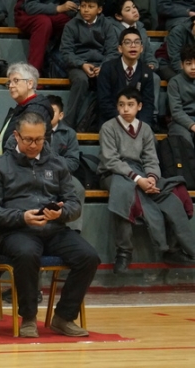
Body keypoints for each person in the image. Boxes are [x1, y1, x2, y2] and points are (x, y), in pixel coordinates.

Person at [0, 112, 100, 338]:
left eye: (39, 139)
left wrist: (61, 213)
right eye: (28, 140)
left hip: (54, 229)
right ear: (16, 136)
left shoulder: (57, 164)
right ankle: (28, 317)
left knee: (89, 257)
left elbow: (74, 203)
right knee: (26, 254)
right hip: (16, 232)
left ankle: (63, 317)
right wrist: (21, 217)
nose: (34, 145)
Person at [98, 87, 195, 273]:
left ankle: (174, 249)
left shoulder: (146, 129)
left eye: (130, 105)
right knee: (125, 193)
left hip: (142, 172)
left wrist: (150, 177)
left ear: (139, 106)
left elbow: (151, 159)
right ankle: (124, 252)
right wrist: (137, 179)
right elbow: (111, 160)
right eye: (121, 105)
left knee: (175, 191)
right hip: (113, 173)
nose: (126, 109)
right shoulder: (108, 127)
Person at [59, 0, 119, 128]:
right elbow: (66, 52)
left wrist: (103, 66)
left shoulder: (107, 25)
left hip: (101, 64)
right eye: (83, 6)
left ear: (99, 9)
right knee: (81, 80)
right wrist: (82, 64)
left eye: (90, 7)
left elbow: (113, 51)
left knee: (109, 78)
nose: (86, 10)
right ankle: (69, 124)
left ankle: (104, 124)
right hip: (77, 65)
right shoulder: (71, 25)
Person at [104, 0, 160, 117]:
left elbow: (148, 53)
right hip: (121, 66)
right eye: (128, 10)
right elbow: (112, 52)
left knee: (154, 78)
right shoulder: (112, 28)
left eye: (134, 7)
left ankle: (151, 117)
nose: (134, 11)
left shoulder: (142, 29)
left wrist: (151, 63)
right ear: (118, 16)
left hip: (139, 67)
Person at [0, 62, 54, 156]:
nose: (11, 86)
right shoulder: (21, 108)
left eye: (16, 80)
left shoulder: (36, 110)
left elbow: (26, 147)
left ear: (29, 83)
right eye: (9, 82)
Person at [96, 27, 154, 126]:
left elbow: (148, 104)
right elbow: (104, 102)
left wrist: (138, 125)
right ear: (120, 48)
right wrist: (124, 121)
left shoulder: (146, 71)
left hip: (137, 122)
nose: (133, 46)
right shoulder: (108, 68)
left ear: (141, 48)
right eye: (127, 42)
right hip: (112, 120)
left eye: (137, 42)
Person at [47, 95, 85, 232]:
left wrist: (53, 163)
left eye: (52, 112)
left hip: (63, 175)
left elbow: (73, 162)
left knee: (77, 187)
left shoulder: (69, 133)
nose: (48, 115)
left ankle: (73, 230)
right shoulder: (36, 130)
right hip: (39, 172)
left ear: (61, 115)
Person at [13, 0, 77, 72]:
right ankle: (33, 73)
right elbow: (30, 7)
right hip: (27, 13)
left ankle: (58, 63)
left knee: (73, 22)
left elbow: (76, 5)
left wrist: (71, 9)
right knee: (43, 23)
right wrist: (57, 8)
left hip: (52, 13)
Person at [167, 43, 195, 144]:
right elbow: (176, 111)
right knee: (184, 139)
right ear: (181, 65)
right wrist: (192, 125)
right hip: (179, 122)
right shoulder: (175, 82)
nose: (193, 67)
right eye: (189, 63)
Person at [160, 17, 195, 81]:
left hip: (191, 65)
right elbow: (175, 59)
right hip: (168, 63)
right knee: (180, 81)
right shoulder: (177, 31)